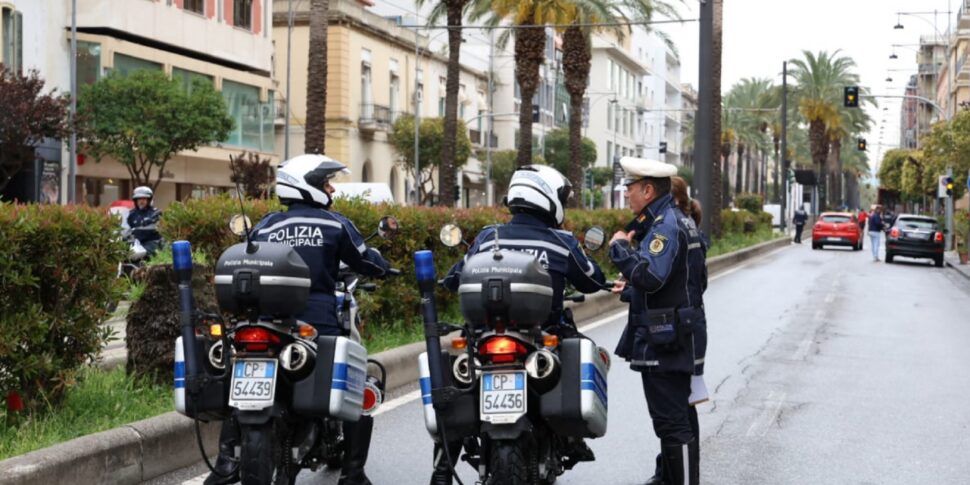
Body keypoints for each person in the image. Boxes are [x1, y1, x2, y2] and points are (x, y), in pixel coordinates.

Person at [204, 154, 390, 485]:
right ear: (310, 187)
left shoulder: (266, 224)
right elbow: (367, 261)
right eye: (326, 183)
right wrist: (385, 266)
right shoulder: (335, 224)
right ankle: (352, 474)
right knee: (356, 382)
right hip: (317, 325)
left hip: (265, 324)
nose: (331, 189)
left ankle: (225, 462)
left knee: (241, 383)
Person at [431, 165, 607, 485]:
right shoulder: (561, 241)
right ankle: (572, 437)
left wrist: (445, 280)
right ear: (548, 198)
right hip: (543, 335)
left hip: (485, 336)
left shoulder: (488, 236)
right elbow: (593, 280)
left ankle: (443, 470)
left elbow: (455, 278)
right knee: (586, 353)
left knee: (456, 385)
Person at [608, 158, 707, 485]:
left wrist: (620, 249)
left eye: (630, 188)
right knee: (681, 416)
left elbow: (651, 275)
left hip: (665, 338)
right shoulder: (680, 220)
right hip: (679, 333)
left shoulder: (664, 225)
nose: (627, 194)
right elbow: (688, 281)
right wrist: (633, 287)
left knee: (671, 423)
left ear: (648, 190)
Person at [126, 186, 163, 258]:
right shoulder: (132, 214)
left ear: (149, 200)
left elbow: (157, 226)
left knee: (139, 254)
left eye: (144, 199)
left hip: (152, 242)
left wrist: (142, 228)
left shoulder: (156, 213)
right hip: (137, 243)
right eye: (139, 199)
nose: (141, 201)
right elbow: (127, 227)